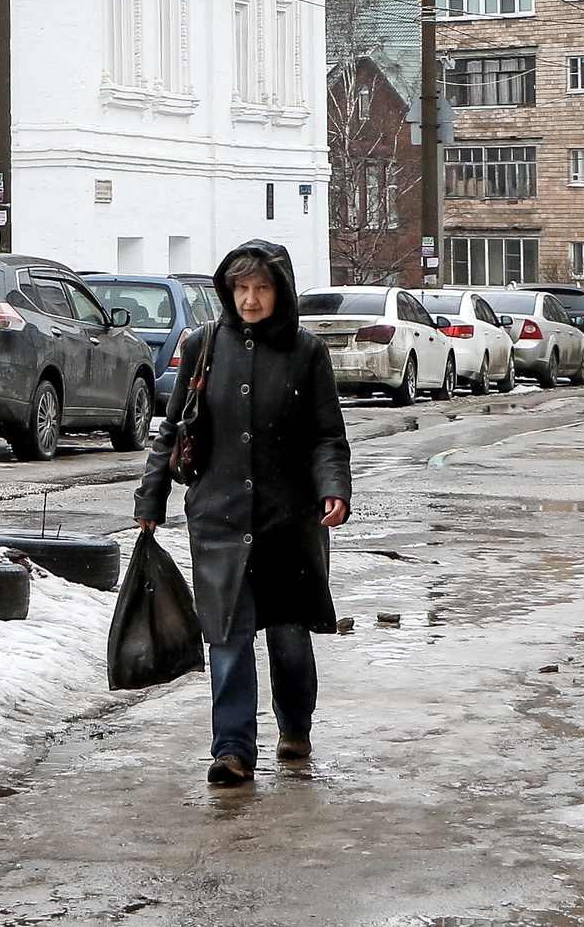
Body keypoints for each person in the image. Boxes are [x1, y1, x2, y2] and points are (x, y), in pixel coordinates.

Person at [133, 238, 351, 786]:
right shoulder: (204, 344)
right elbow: (172, 430)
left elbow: (327, 435)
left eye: (262, 288)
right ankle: (232, 749)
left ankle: (295, 725)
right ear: (228, 292)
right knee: (227, 636)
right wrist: (151, 498)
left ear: (281, 291)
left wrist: (335, 489)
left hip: (290, 520)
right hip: (219, 517)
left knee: (288, 636)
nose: (250, 300)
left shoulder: (307, 352)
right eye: (241, 288)